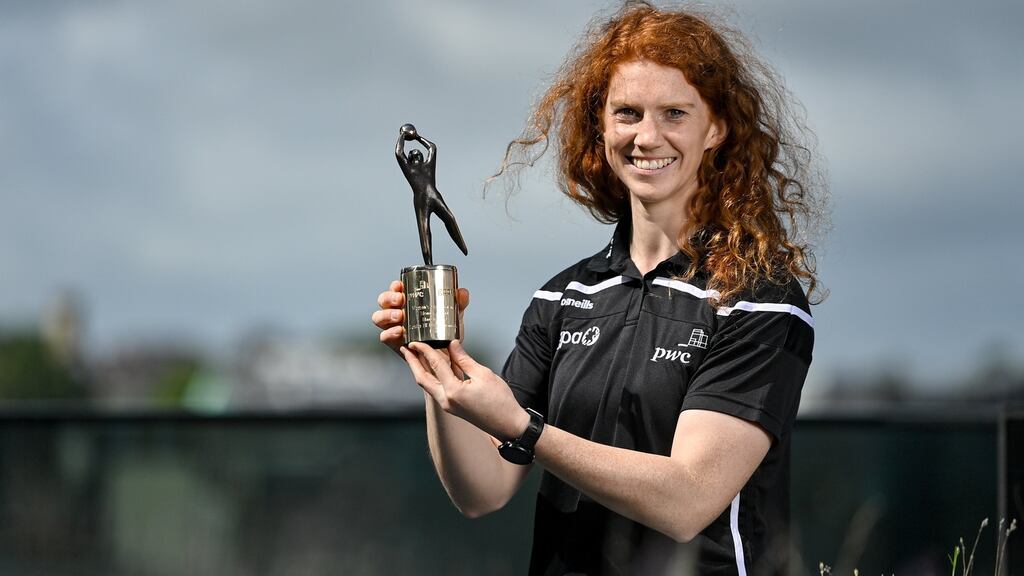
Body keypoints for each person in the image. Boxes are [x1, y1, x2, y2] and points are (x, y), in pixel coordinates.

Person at [372, 2, 825, 574]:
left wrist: (522, 427)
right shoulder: (562, 298)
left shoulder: (759, 300)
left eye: (675, 113)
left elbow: (688, 499)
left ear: (717, 128)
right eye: (628, 113)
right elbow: (482, 490)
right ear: (602, 126)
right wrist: (440, 370)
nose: (647, 136)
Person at [395, 123, 469, 266]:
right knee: (424, 230)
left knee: (450, 218)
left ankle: (462, 246)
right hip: (420, 199)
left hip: (433, 194)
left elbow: (432, 147)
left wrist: (416, 137)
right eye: (412, 153)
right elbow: (399, 152)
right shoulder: (409, 169)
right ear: (410, 158)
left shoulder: (428, 166)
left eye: (417, 152)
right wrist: (403, 135)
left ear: (422, 157)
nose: (415, 153)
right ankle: (429, 264)